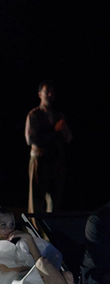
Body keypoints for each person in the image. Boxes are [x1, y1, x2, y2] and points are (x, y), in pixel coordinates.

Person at [25, 81, 72, 214]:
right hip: (39, 159)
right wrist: (54, 130)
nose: (50, 95)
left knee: (54, 198)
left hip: (55, 160)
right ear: (40, 94)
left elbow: (68, 138)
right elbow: (31, 139)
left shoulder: (59, 116)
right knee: (36, 198)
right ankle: (34, 225)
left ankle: (51, 226)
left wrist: (63, 129)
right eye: (47, 92)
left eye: (52, 92)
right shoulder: (34, 115)